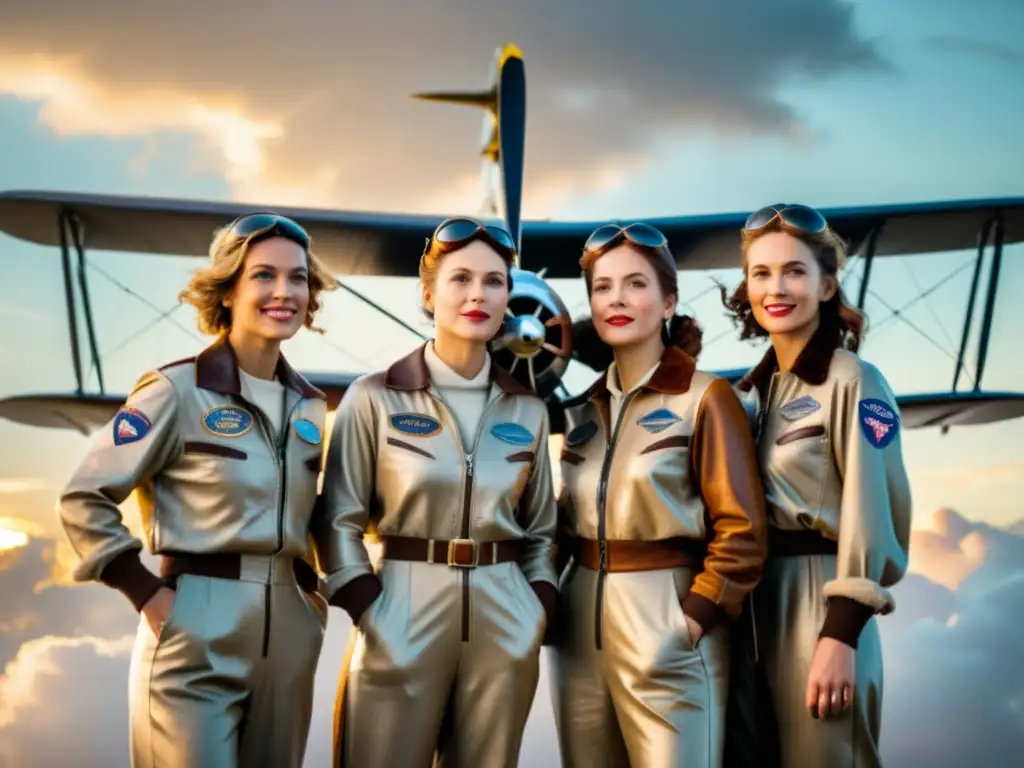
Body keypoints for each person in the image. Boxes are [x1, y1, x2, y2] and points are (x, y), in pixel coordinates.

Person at [57, 213, 336, 768]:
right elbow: (83, 498)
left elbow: (312, 517)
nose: (284, 291)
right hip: (194, 624)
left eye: (298, 278)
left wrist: (315, 603)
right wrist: (146, 593)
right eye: (263, 275)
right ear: (228, 289)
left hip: (289, 633)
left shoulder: (309, 405)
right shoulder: (173, 389)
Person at [313, 217, 558, 768]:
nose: (478, 294)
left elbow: (542, 529)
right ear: (427, 293)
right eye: (461, 279)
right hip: (399, 610)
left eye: (495, 282)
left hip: (506, 624)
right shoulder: (371, 398)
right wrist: (369, 611)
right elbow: (337, 519)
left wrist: (534, 609)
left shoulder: (530, 410)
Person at [550, 222, 768, 767]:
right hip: (578, 636)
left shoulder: (706, 398)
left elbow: (741, 533)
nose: (617, 299)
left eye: (636, 284)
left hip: (669, 627)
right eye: (602, 288)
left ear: (669, 300)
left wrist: (689, 621)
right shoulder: (580, 411)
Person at [721, 203, 913, 768]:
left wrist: (840, 634)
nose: (776, 288)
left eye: (795, 272)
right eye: (761, 273)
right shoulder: (745, 395)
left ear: (827, 285)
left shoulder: (857, 381)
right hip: (747, 610)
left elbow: (875, 505)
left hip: (820, 603)